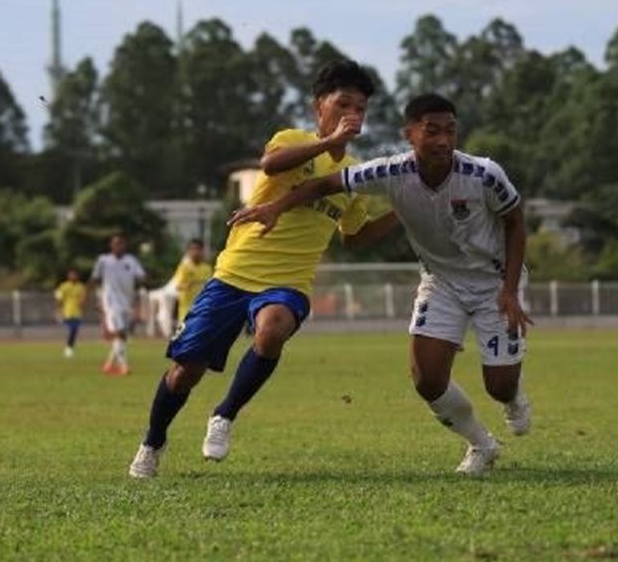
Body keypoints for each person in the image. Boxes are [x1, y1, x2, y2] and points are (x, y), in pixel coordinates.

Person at [228, 92, 533, 476]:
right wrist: (274, 207)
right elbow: (323, 186)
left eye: (451, 131)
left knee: (499, 386)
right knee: (427, 380)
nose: (443, 140)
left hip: (493, 282)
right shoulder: (389, 172)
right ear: (409, 134)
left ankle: (513, 397)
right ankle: (481, 444)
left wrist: (509, 290)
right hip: (441, 282)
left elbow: (516, 222)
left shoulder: (484, 173)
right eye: (432, 130)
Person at [128, 59, 398, 479]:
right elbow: (271, 165)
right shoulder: (293, 141)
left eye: (361, 109)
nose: (353, 115)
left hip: (289, 282)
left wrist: (405, 211)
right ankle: (153, 442)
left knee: (272, 330)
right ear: (318, 108)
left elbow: (355, 235)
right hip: (234, 273)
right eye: (343, 104)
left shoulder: (354, 176)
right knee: (185, 373)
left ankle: (224, 415)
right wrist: (328, 144)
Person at [90, 233, 147, 376]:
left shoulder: (131, 260)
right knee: (120, 333)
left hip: (126, 302)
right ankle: (124, 366)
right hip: (110, 302)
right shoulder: (103, 260)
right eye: (115, 243)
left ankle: (109, 364)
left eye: (121, 243)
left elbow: (141, 275)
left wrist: (142, 280)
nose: (118, 246)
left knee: (122, 336)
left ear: (125, 245)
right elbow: (95, 279)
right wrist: (97, 300)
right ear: (111, 245)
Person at [170, 239, 213, 326]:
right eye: (193, 249)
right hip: (186, 310)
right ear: (188, 251)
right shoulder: (184, 268)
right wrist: (189, 284)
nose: (195, 252)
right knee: (184, 336)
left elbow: (211, 287)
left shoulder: (207, 268)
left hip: (202, 308)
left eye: (198, 249)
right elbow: (178, 286)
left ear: (202, 251)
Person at [54, 268, 88, 359]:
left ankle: (69, 347)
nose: (73, 276)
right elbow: (59, 298)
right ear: (68, 276)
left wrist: (83, 305)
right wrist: (58, 310)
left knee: (75, 330)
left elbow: (83, 299)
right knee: (73, 329)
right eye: (71, 274)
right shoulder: (64, 286)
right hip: (67, 311)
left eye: (75, 274)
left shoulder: (81, 287)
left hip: (77, 312)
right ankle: (69, 348)